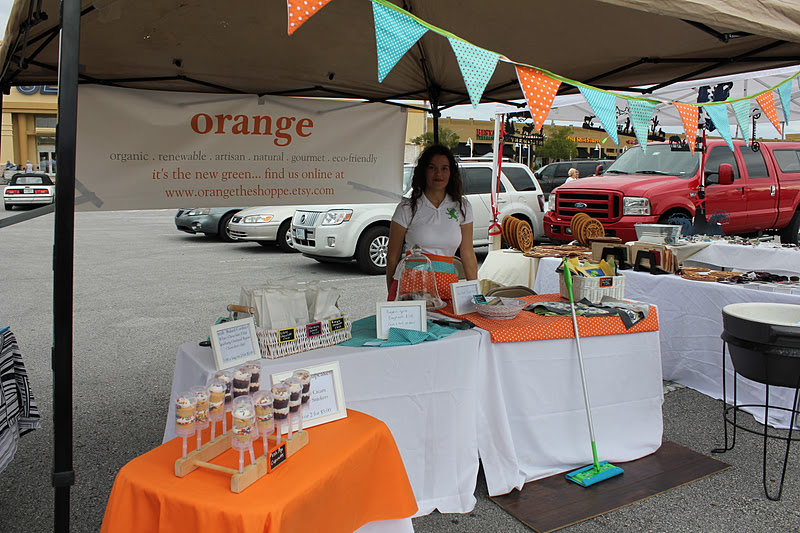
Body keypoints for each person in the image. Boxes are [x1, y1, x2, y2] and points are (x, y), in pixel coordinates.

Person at [386, 144, 478, 301]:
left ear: (451, 172)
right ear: (423, 171)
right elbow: (392, 257)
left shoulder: (463, 207)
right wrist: (392, 294)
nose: (438, 174)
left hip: (447, 284)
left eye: (444, 168)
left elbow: (468, 254)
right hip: (410, 285)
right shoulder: (407, 208)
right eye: (432, 167)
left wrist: (476, 293)